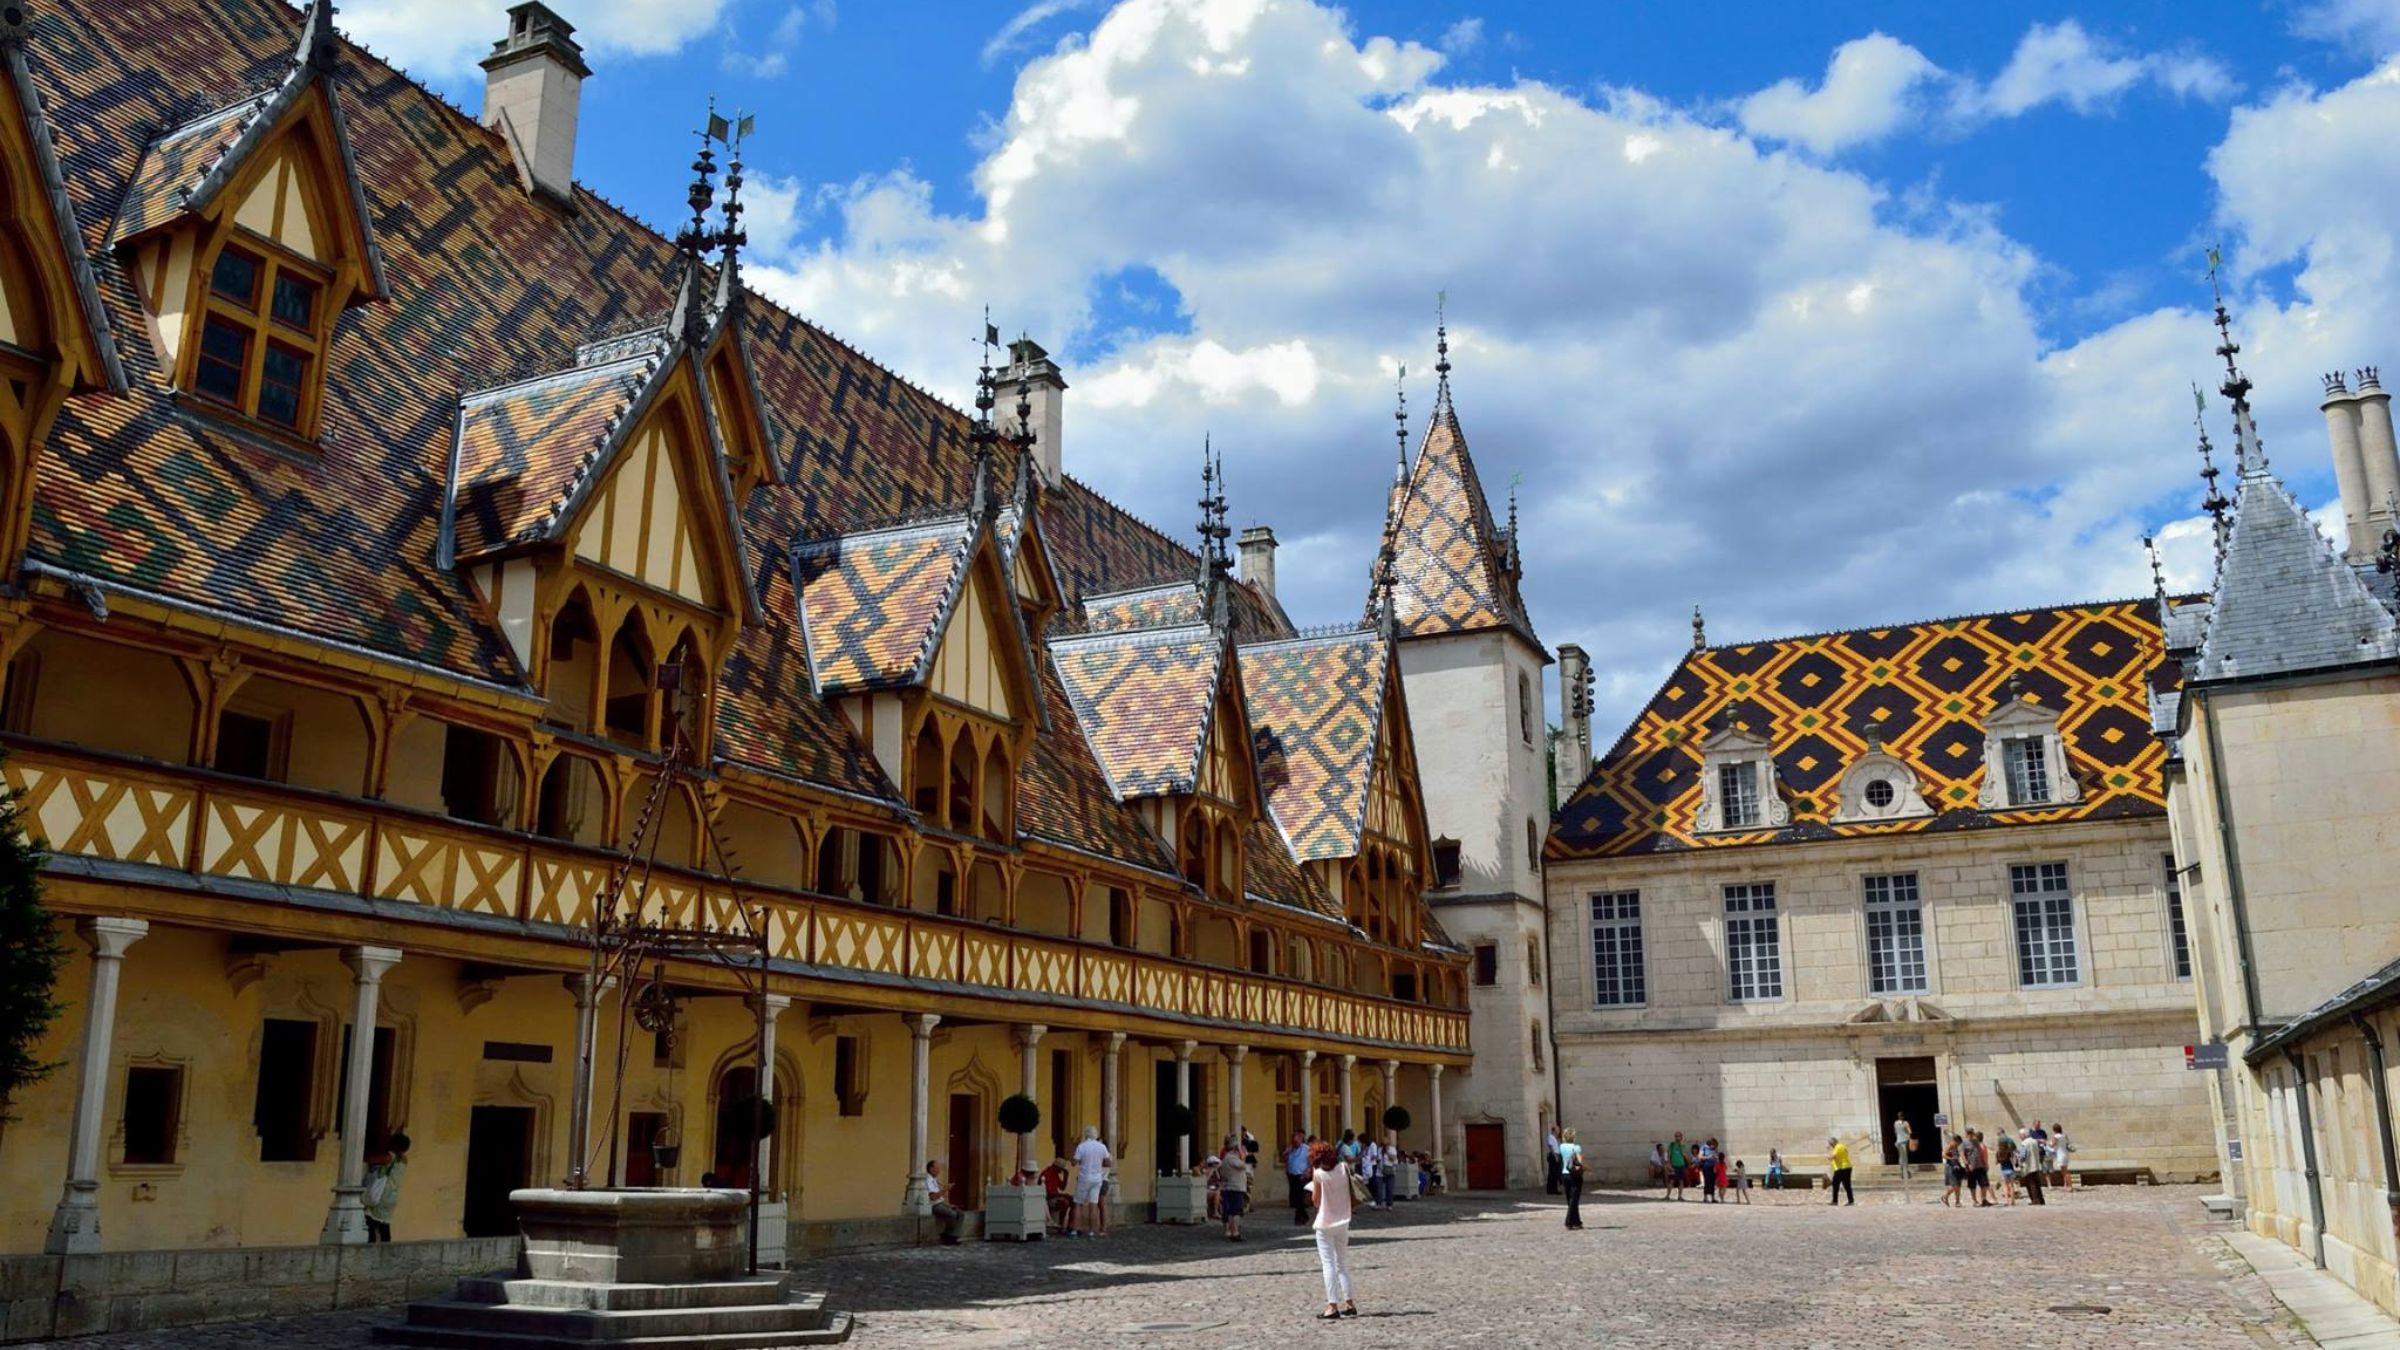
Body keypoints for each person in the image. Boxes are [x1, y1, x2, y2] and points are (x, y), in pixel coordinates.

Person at [1306, 1139, 1359, 1320]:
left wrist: (1315, 1181)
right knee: (1342, 1263)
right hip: (1343, 1220)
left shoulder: (1319, 1174)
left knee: (1328, 1264)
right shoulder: (1343, 1168)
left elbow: (1316, 1201)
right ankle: (1350, 1303)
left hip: (1325, 1223)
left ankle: (1332, 1305)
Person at [363, 1132, 408, 1243]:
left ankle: (371, 1247)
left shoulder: (391, 1157)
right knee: (384, 1224)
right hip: (392, 1197)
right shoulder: (404, 1159)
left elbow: (371, 1159)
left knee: (371, 1222)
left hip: (381, 1195)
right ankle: (386, 1247)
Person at [1072, 1126, 1113, 1237]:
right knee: (1093, 1205)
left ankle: (1075, 1230)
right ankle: (1092, 1231)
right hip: (1097, 1178)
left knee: (1078, 1204)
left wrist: (1081, 1160)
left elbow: (1074, 1162)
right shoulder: (1102, 1147)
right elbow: (1109, 1163)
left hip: (1084, 1177)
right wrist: (1098, 1164)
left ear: (1086, 1135)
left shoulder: (1082, 1146)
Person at [1219, 1135, 1252, 1241]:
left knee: (1231, 1211)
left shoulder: (1226, 1158)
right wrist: (1243, 1155)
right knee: (1236, 1211)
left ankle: (1232, 1231)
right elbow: (1243, 1165)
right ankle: (1235, 1232)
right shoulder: (1232, 1158)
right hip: (1235, 1188)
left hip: (1230, 1187)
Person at [925, 1160, 961, 1244]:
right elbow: (933, 1197)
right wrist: (945, 1189)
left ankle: (953, 1236)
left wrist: (948, 1205)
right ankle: (947, 1234)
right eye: (937, 1168)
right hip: (934, 1205)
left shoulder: (935, 1180)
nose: (939, 1170)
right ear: (931, 1169)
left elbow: (940, 1198)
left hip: (941, 1203)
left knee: (960, 1213)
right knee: (952, 1214)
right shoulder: (927, 1180)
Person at [1557, 1126, 1586, 1229]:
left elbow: (1559, 1159)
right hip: (1574, 1175)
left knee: (1570, 1200)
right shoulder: (1576, 1147)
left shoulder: (1561, 1147)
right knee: (1574, 1199)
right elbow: (1579, 1161)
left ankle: (1577, 1221)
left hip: (1565, 1174)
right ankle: (1568, 1221)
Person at [1287, 1132, 1313, 1224]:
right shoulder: (1291, 1149)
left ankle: (1299, 1217)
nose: (1295, 1143)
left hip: (1302, 1175)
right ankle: (1303, 1215)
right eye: (1293, 1141)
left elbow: (1311, 1162)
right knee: (1295, 1198)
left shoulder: (1306, 1149)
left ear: (1301, 1140)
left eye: (1296, 1141)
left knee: (1300, 1197)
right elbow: (1284, 1158)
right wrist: (1288, 1151)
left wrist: (1308, 1172)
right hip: (1292, 1175)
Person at [2017, 1128, 2047, 1206]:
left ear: (2023, 1135)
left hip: (2028, 1166)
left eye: (2020, 1135)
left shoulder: (2024, 1143)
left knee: (2031, 1184)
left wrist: (2018, 1156)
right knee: (2037, 1184)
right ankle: (2041, 1199)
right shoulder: (2034, 1141)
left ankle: (2035, 1200)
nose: (2020, 1137)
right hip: (2036, 1165)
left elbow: (2022, 1156)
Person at [1041, 1157, 1072, 1233]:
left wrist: (1066, 1177)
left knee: (1074, 1201)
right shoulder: (1047, 1173)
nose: (1061, 1171)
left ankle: (1070, 1226)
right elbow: (1048, 1193)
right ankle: (1061, 1226)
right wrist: (1063, 1195)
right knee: (1064, 1203)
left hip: (1054, 1197)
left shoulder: (1055, 1174)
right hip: (1047, 1199)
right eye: (1060, 1169)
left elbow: (1062, 1187)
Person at [1826, 1136, 1854, 1206]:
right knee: (1847, 1185)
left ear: (1832, 1143)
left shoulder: (1837, 1147)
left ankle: (1835, 1201)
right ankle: (1851, 1200)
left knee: (1835, 1184)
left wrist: (1828, 1152)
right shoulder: (1842, 1146)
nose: (1830, 1145)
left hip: (1841, 1168)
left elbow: (1832, 1157)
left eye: (1830, 1144)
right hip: (1847, 1167)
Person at [1994, 1130, 2018, 1206]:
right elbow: (2013, 1158)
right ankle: (2013, 1201)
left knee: (2005, 1186)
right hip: (2010, 1169)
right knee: (2011, 1185)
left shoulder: (1998, 1152)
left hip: (2003, 1170)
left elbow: (1996, 1162)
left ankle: (2007, 1201)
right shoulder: (2009, 1151)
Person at [1941, 1133, 1963, 1209]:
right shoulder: (1949, 1146)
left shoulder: (1956, 1147)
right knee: (1954, 1185)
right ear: (1955, 1141)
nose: (1959, 1144)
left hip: (1956, 1166)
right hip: (1950, 1167)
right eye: (1958, 1143)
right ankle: (1945, 1196)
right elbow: (1943, 1154)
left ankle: (1957, 1201)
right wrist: (1951, 1158)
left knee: (1958, 1185)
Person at [2050, 1123, 2074, 1192]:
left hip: (2060, 1154)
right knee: (2064, 1171)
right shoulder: (2064, 1135)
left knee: (2065, 1171)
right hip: (2065, 1153)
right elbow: (2067, 1142)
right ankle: (2065, 1184)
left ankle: (2070, 1186)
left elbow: (2052, 1144)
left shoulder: (2056, 1136)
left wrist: (2047, 1143)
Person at [1696, 1136, 1720, 1204]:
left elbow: (1717, 1156)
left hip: (1714, 1166)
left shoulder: (1715, 1149)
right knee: (1707, 1182)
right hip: (1706, 1166)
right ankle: (1705, 1197)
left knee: (1712, 1182)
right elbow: (1700, 1156)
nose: (1714, 1147)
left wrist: (1716, 1158)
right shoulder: (1704, 1147)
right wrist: (1708, 1157)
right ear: (1711, 1143)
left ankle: (1713, 1198)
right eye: (1713, 1145)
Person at [1665, 1132, 1688, 1201]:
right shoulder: (1671, 1145)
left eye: (1679, 1136)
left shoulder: (1682, 1145)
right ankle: (1667, 1195)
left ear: (1681, 1137)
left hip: (1681, 1165)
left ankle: (1680, 1196)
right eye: (1676, 1136)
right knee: (1671, 1181)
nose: (1677, 1138)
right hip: (1674, 1165)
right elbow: (1668, 1155)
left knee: (1681, 1181)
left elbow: (1684, 1154)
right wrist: (1669, 1164)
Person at [1891, 1113, 1914, 1179]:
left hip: (1898, 1142)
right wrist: (1909, 1137)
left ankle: (1902, 1171)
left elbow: (1895, 1132)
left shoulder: (1895, 1123)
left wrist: (1898, 1137)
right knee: (1905, 1157)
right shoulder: (1905, 1123)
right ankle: (1905, 1171)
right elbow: (1910, 1132)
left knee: (1901, 1157)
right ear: (1903, 1117)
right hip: (1904, 1141)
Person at [1545, 1123, 1563, 1195]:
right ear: (1554, 1130)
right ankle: (1552, 1189)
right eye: (1557, 1130)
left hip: (1556, 1155)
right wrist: (1555, 1156)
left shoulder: (1555, 1138)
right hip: (1553, 1156)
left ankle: (1553, 1189)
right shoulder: (1550, 1137)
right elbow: (1550, 1146)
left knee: (1554, 1173)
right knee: (1553, 1173)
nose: (1558, 1131)